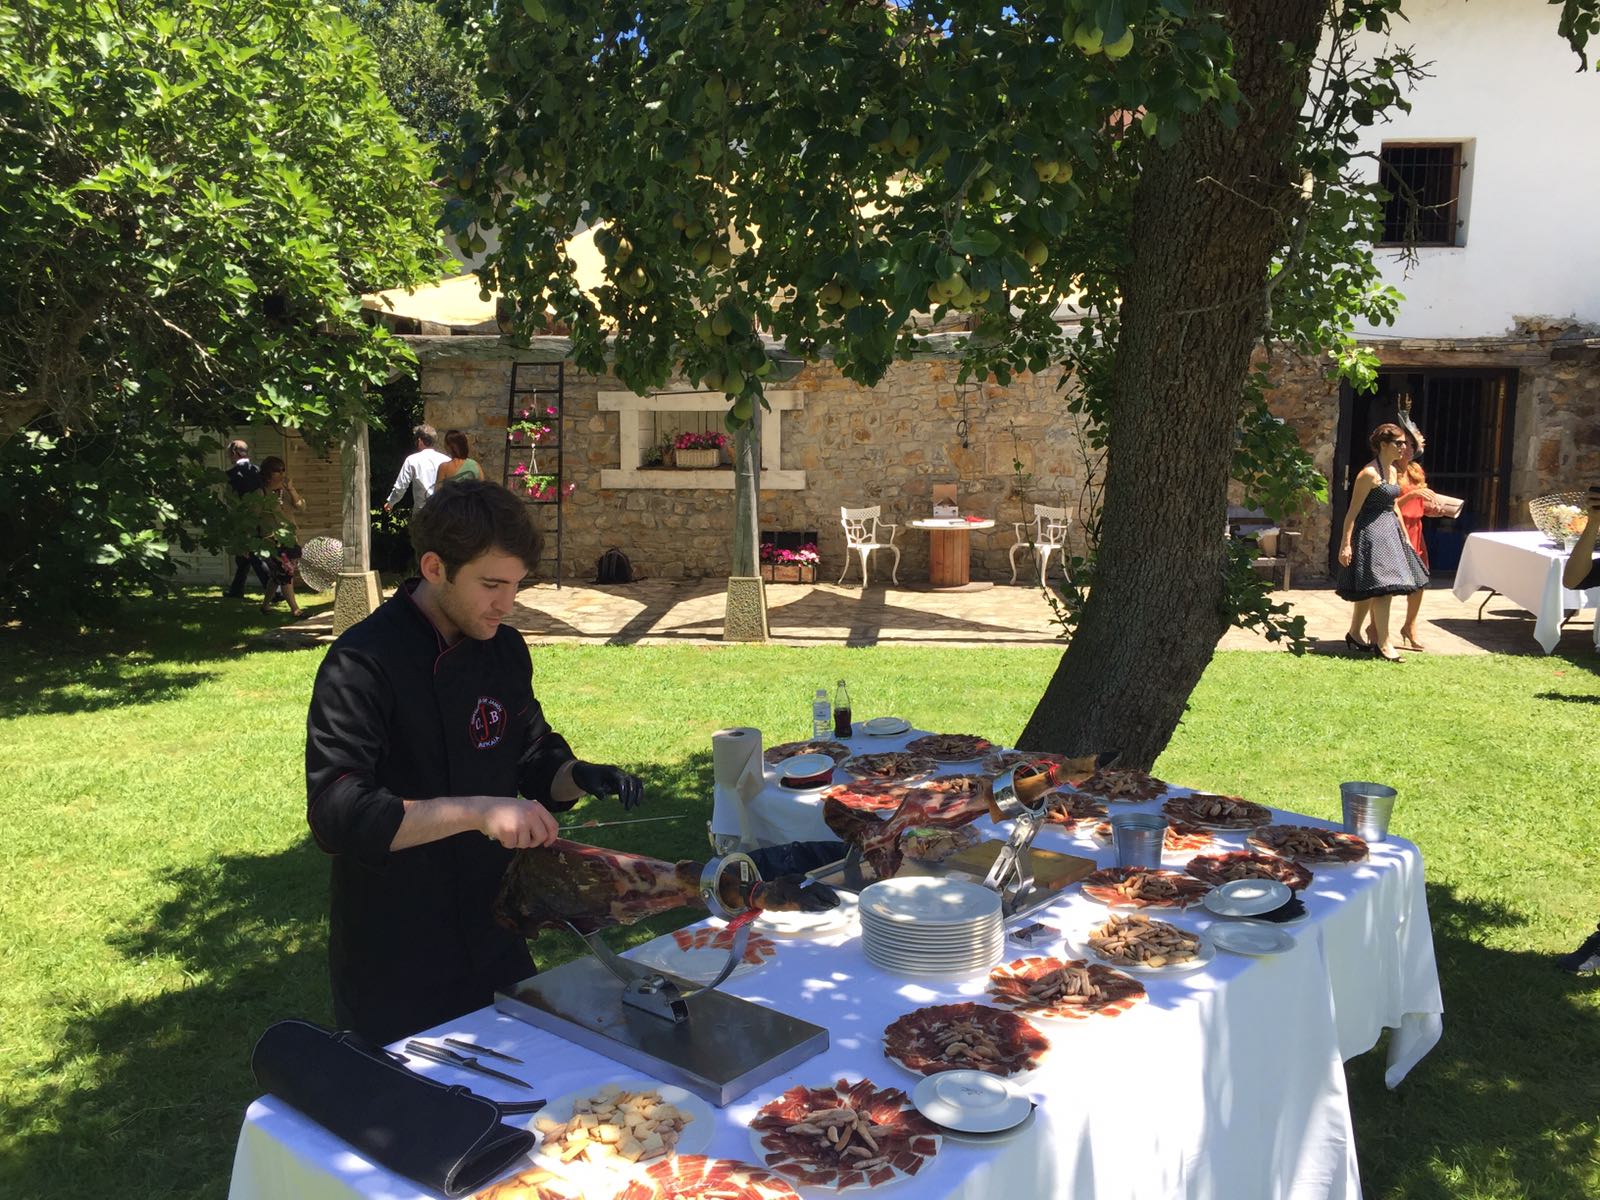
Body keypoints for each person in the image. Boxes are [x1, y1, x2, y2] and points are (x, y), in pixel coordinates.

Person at [304, 478, 644, 1044]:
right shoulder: (362, 662)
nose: (506, 605)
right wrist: (480, 811)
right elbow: (338, 813)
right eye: (491, 585)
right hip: (397, 947)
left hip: (494, 928)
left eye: (516, 585)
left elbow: (532, 754)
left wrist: (576, 775)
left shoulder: (503, 650)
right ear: (435, 567)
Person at [1337, 423, 1428, 662]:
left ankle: (1354, 633)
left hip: (1390, 533)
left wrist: (1405, 536)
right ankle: (1384, 643)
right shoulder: (1368, 474)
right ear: (1383, 445)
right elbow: (1352, 512)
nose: (1404, 447)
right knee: (1383, 589)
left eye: (1405, 443)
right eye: (1399, 443)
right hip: (1370, 533)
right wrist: (1346, 544)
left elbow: (1394, 505)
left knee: (1372, 588)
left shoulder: (1393, 471)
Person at [1366, 428, 1438, 652]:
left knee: (1419, 580)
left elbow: (1420, 501)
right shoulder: (1389, 470)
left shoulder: (1416, 470)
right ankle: (1374, 627)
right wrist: (1412, 495)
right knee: (1384, 581)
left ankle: (1410, 625)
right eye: (1402, 444)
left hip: (1415, 528)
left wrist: (1433, 508)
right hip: (1395, 527)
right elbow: (1389, 503)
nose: (1406, 448)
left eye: (1410, 444)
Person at [223, 439, 273, 600]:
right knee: (243, 559)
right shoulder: (258, 471)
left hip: (244, 520)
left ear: (234, 453)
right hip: (262, 518)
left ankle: (275, 591)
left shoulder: (231, 475)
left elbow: (230, 501)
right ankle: (236, 590)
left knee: (253, 556)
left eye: (229, 454)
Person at [259, 456, 306, 617]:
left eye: (283, 470)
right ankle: (295, 610)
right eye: (277, 470)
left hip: (290, 539)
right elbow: (254, 516)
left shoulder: (285, 492)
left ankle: (265, 606)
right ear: (267, 473)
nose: (281, 473)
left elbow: (301, 507)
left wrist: (291, 490)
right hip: (272, 541)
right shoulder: (261, 493)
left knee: (278, 575)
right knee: (286, 572)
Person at [383, 423, 452, 514]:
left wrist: (391, 503)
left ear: (419, 440)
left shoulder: (412, 460)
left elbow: (401, 486)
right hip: (443, 510)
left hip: (422, 510)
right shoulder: (447, 460)